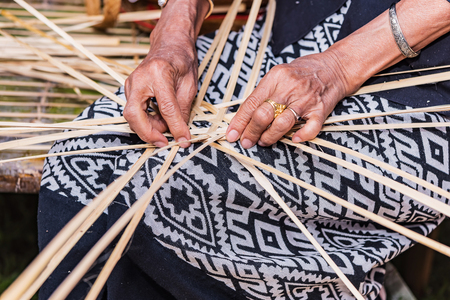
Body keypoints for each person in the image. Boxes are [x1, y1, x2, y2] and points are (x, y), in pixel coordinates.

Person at [38, 0, 450, 299]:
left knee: (177, 189)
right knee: (85, 157)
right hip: (291, 32)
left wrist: (338, 67)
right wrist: (174, 34)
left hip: (420, 79)